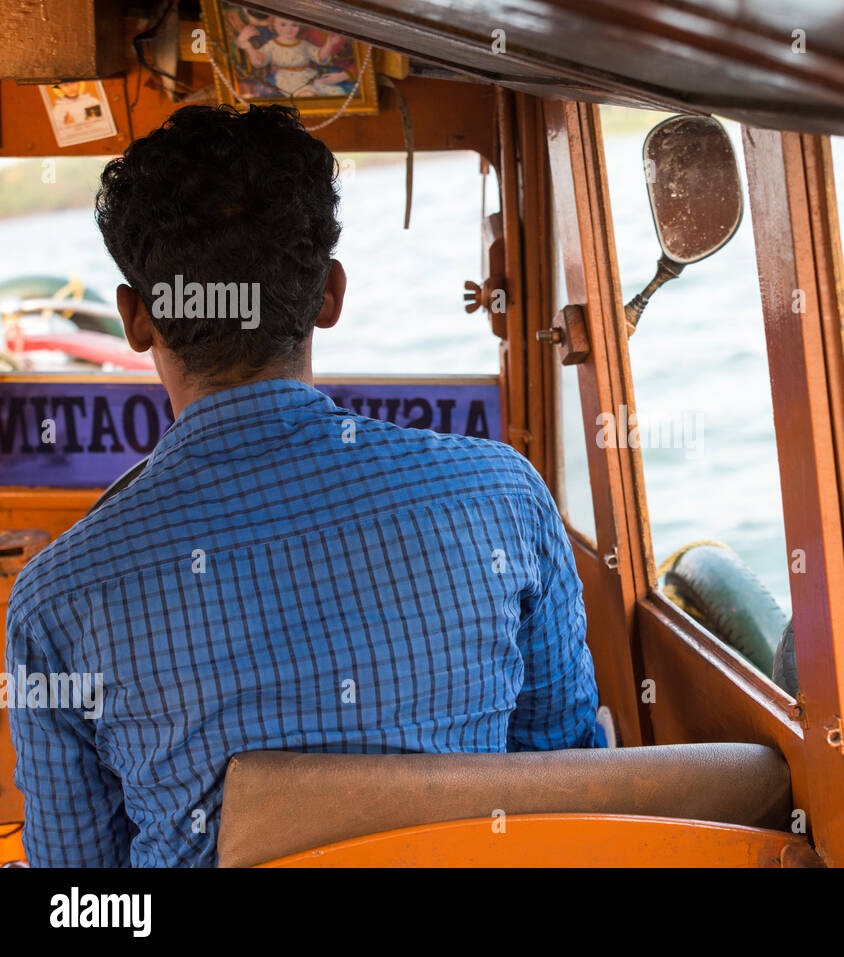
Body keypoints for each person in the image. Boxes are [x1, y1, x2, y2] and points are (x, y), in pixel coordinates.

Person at [4, 104, 599, 867]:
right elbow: (564, 774)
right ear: (330, 295)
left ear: (136, 319)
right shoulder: (505, 499)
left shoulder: (58, 597)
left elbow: (80, 888)